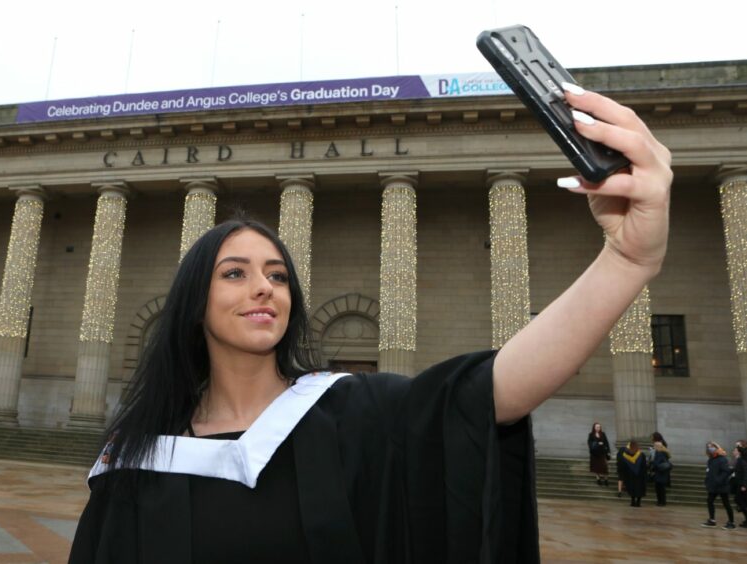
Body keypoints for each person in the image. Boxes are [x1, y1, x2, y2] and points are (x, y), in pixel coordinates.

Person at [69, 84, 673, 563]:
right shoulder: (137, 455)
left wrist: (627, 261)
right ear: (192, 303)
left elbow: (489, 392)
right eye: (235, 273)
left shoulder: (352, 413)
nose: (263, 287)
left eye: (278, 275)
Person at [702, 441, 736, 530]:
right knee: (709, 501)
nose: (710, 448)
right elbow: (709, 472)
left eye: (712, 447)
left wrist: (718, 480)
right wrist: (707, 481)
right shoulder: (710, 459)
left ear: (717, 448)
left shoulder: (722, 459)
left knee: (726, 504)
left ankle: (731, 522)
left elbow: (726, 472)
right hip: (713, 486)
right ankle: (712, 520)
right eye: (709, 447)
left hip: (722, 486)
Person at [618, 440, 647, 507]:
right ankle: (638, 502)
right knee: (639, 488)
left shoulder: (626, 455)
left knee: (632, 488)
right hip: (640, 476)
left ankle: (632, 501)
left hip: (630, 475)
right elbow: (644, 466)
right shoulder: (641, 455)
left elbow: (623, 466)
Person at [650, 440, 672, 506]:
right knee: (661, 489)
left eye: (654, 446)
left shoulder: (659, 454)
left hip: (659, 474)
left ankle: (661, 502)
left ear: (657, 447)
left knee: (659, 489)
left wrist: (652, 461)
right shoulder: (664, 453)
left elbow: (657, 463)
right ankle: (661, 501)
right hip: (663, 474)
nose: (653, 447)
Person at [733, 440, 747, 527]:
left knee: (740, 500)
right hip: (740, 483)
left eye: (737, 447)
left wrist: (744, 485)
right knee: (740, 500)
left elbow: (746, 472)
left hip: (743, 484)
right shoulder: (740, 460)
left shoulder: (743, 460)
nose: (735, 449)